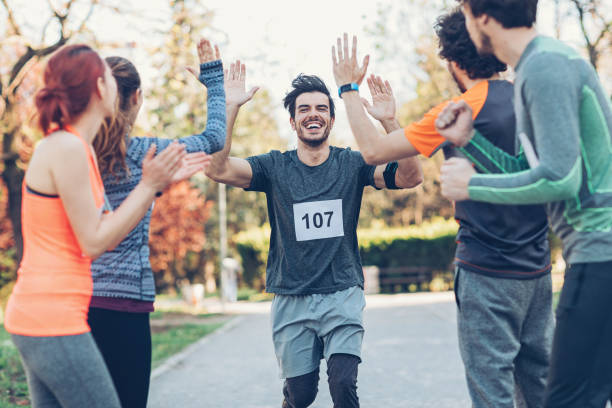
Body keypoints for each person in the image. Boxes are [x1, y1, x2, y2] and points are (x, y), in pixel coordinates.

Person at [332, 11, 553, 406]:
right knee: (541, 387)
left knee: (492, 393)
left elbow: (373, 153)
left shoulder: (458, 110)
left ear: (453, 61)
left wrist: (348, 88)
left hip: (487, 274)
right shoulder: (533, 96)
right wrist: (390, 120)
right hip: (538, 271)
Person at [204, 62, 423, 407]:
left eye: (321, 108)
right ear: (292, 121)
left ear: (332, 120)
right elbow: (216, 169)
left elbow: (411, 176)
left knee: (343, 383)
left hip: (342, 293)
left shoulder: (352, 164)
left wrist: (390, 122)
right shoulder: (273, 167)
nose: (313, 114)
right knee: (301, 395)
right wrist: (230, 107)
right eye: (303, 109)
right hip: (292, 296)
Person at [434, 1, 612, 406]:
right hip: (592, 251)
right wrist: (469, 142)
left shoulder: (545, 67)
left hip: (601, 250)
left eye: (463, 11)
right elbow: (531, 167)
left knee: (569, 399)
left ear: (481, 17)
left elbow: (559, 179)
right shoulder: (536, 66)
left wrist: (473, 186)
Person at [4, 44, 188, 408]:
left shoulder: (77, 149)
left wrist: (154, 185)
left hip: (45, 315)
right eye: (109, 75)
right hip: (51, 317)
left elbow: (105, 225)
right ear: (100, 88)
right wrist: (148, 185)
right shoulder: (67, 148)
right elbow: (94, 242)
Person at [88, 37, 225, 408]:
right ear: (138, 97)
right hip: (126, 304)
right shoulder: (148, 154)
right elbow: (215, 136)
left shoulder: (77, 153)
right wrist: (214, 82)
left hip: (78, 303)